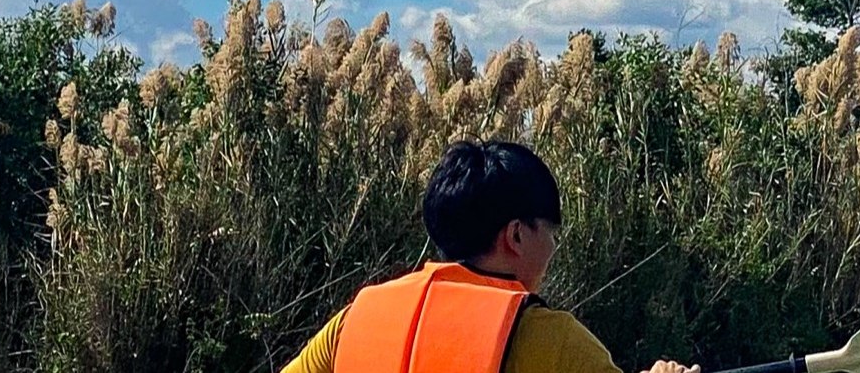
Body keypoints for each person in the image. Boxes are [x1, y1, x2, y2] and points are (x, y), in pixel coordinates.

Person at [281, 140, 698, 373]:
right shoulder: (550, 338)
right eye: (550, 232)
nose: (552, 248)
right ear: (515, 234)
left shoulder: (357, 319)